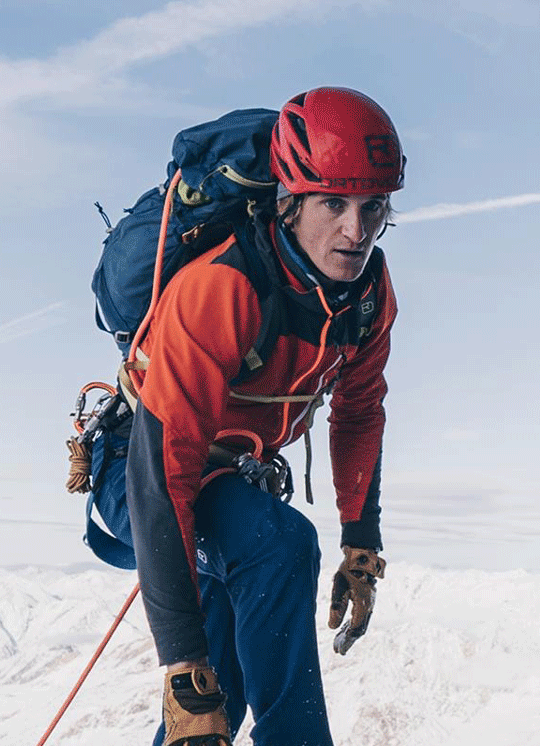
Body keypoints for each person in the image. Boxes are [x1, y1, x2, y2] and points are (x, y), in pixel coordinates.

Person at [122, 87, 403, 745]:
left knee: (223, 692)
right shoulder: (225, 285)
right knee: (280, 546)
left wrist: (361, 542)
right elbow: (162, 470)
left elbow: (359, 411)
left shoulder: (366, 297)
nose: (356, 231)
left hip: (228, 480)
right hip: (143, 468)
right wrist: (181, 665)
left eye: (373, 207)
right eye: (333, 204)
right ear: (289, 201)